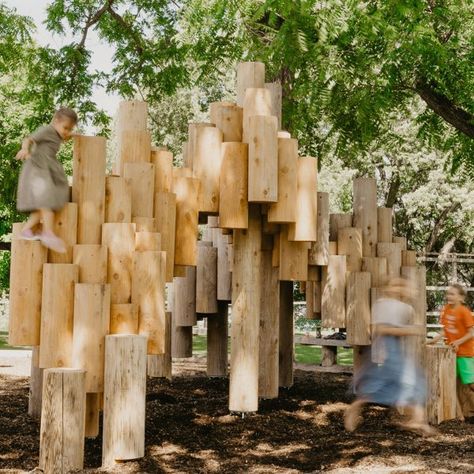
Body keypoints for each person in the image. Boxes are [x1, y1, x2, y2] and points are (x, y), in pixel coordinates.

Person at [344, 277, 435, 436]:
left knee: (409, 384)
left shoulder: (405, 307)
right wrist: (410, 330)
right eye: (396, 285)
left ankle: (418, 421)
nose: (400, 288)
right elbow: (380, 330)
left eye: (402, 285)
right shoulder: (382, 305)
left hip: (397, 350)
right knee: (389, 384)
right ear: (389, 288)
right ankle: (352, 411)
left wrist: (409, 330)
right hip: (387, 349)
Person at [15, 107, 77, 253]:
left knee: (41, 209)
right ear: (56, 121)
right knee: (46, 203)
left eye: (70, 129)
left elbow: (67, 136)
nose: (66, 132)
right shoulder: (47, 130)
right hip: (37, 167)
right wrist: (25, 149)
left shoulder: (59, 134)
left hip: (46, 169)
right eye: (65, 128)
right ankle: (48, 233)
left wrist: (74, 135)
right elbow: (29, 139)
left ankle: (26, 231)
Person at [428, 284, 474, 418]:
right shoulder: (446, 309)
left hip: (465, 354)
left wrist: (458, 342)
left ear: (461, 297)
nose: (449, 296)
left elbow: (471, 332)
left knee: (470, 384)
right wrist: (434, 339)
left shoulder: (464, 311)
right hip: (451, 354)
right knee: (453, 384)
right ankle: (461, 416)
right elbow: (446, 329)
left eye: (453, 294)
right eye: (448, 293)